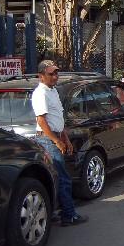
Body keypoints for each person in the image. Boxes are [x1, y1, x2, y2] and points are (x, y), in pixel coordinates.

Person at [31, 60, 88, 227]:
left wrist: (66, 139)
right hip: (47, 139)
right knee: (63, 178)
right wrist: (56, 141)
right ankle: (69, 215)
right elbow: (42, 121)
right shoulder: (40, 93)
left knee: (58, 178)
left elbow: (58, 119)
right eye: (51, 74)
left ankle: (57, 212)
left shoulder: (53, 91)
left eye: (56, 73)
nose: (55, 76)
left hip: (56, 137)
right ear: (41, 76)